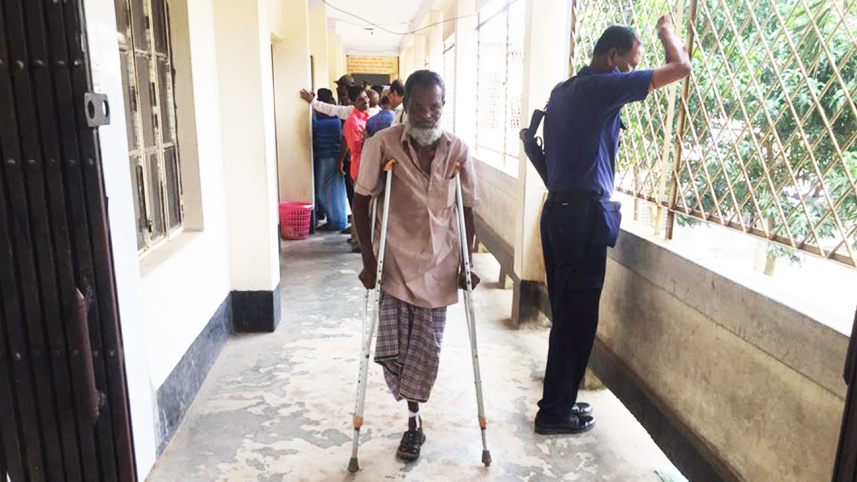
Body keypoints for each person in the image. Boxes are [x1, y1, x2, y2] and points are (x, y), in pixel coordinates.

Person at [535, 16, 691, 435]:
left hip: (557, 214)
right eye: (630, 62)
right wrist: (666, 33)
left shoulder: (564, 90)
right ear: (611, 57)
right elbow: (681, 68)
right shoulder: (604, 86)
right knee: (579, 317)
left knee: (567, 313)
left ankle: (557, 402)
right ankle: (553, 413)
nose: (632, 71)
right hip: (581, 218)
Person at [353, 70, 480, 462]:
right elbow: (361, 201)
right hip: (393, 265)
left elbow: (469, 209)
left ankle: (414, 416)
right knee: (400, 351)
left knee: (427, 351)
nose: (428, 114)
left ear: (444, 106)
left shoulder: (457, 150)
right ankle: (414, 422)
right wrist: (369, 259)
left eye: (436, 107)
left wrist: (468, 261)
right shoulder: (382, 145)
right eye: (419, 107)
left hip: (440, 265)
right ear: (405, 106)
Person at [312, 88, 348, 231]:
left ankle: (335, 221)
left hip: (326, 156)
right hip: (336, 155)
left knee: (323, 189)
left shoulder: (319, 115)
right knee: (336, 189)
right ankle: (339, 220)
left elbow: (314, 131)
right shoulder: (335, 113)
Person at [340, 85, 370, 252]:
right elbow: (356, 148)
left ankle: (356, 238)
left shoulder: (364, 117)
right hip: (359, 166)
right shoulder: (352, 122)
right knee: (360, 205)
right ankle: (357, 242)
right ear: (352, 102)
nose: (365, 101)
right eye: (360, 99)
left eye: (365, 97)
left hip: (365, 164)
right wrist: (370, 138)